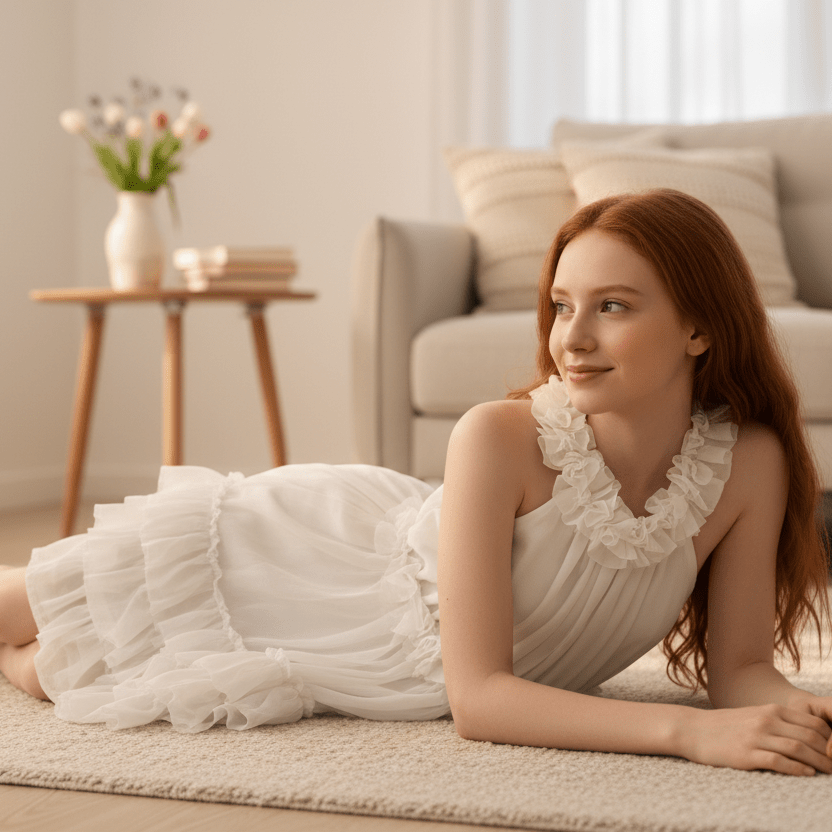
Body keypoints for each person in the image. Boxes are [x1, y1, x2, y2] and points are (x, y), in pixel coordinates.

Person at [0, 189, 829, 777]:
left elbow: (743, 670)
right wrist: (686, 739)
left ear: (699, 327)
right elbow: (481, 701)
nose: (570, 338)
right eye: (561, 304)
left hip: (362, 647)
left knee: (52, 671)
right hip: (309, 562)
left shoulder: (748, 461)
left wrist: (800, 722)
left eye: (613, 306)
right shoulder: (500, 438)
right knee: (28, 608)